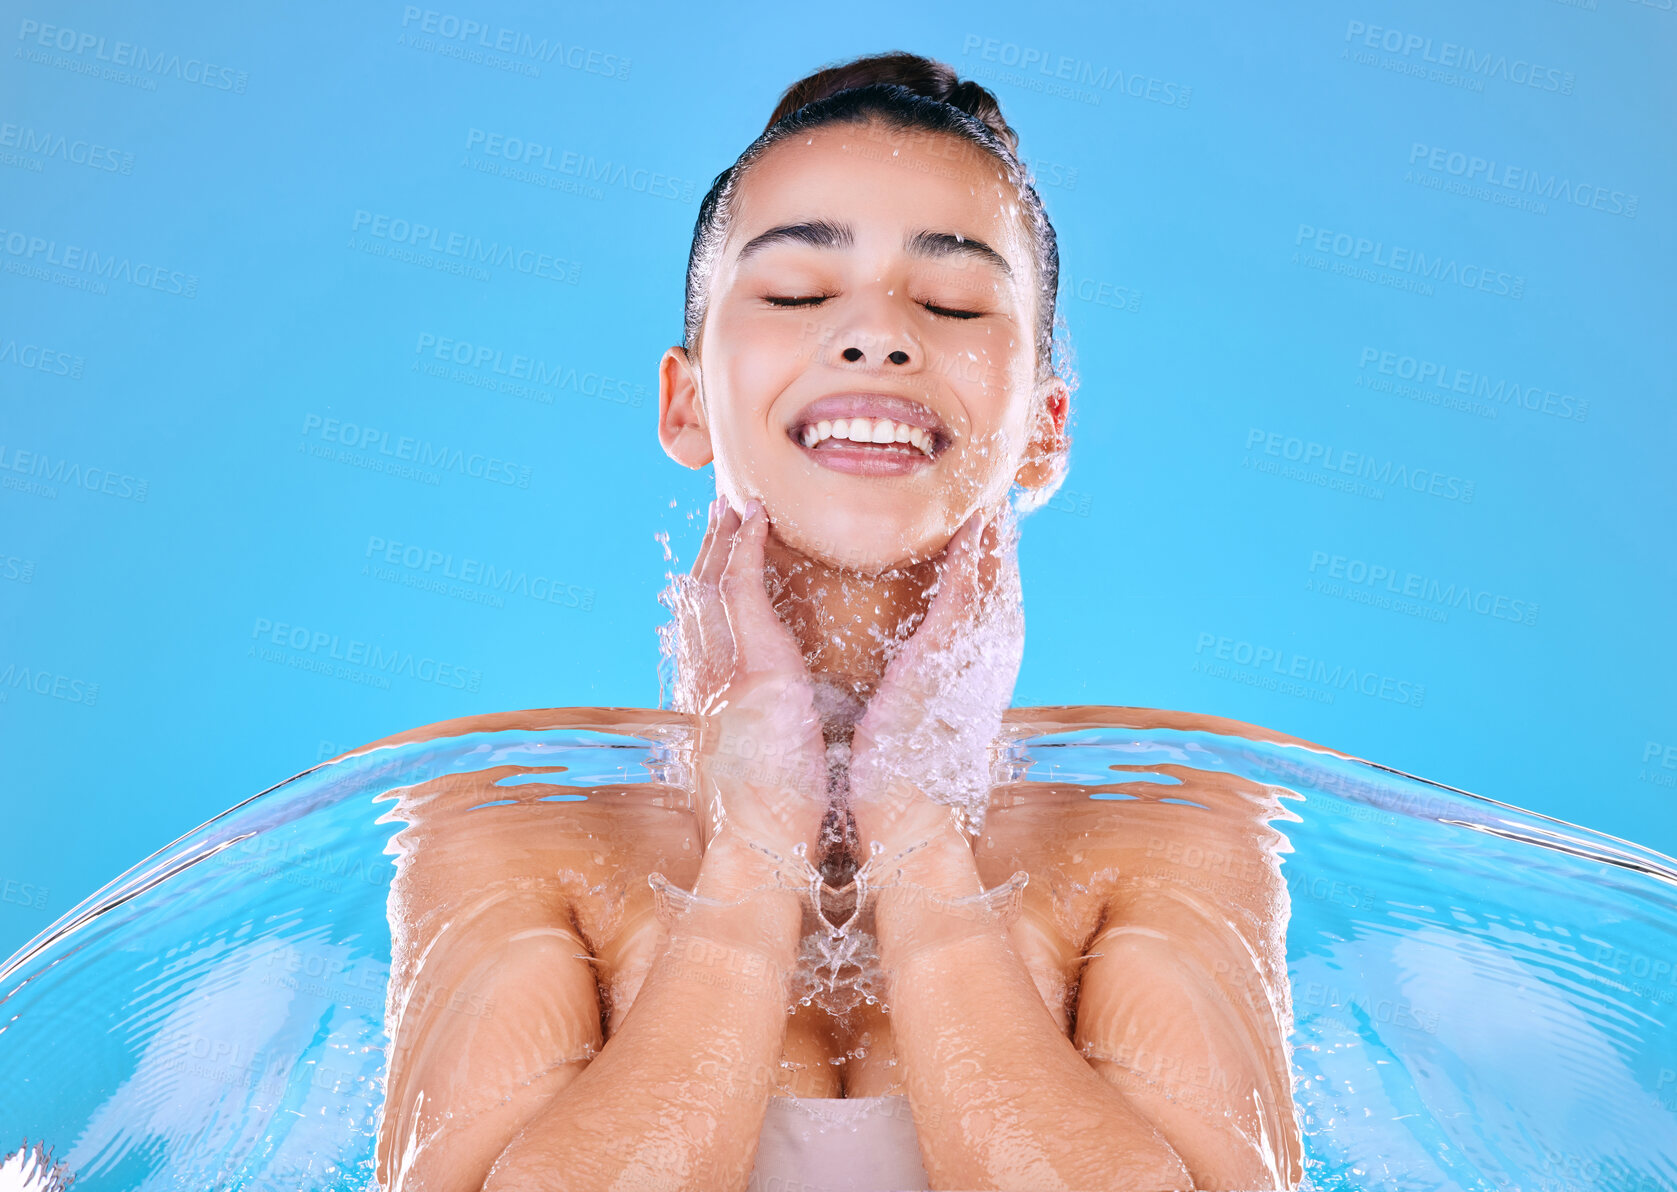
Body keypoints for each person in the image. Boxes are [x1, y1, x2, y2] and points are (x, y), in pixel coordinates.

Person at [375, 50, 1302, 1192]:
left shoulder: (1170, 828)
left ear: (1047, 425)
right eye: (798, 292)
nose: (875, 335)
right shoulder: (511, 828)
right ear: (685, 399)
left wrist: (915, 826)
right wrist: (757, 847)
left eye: (953, 300)